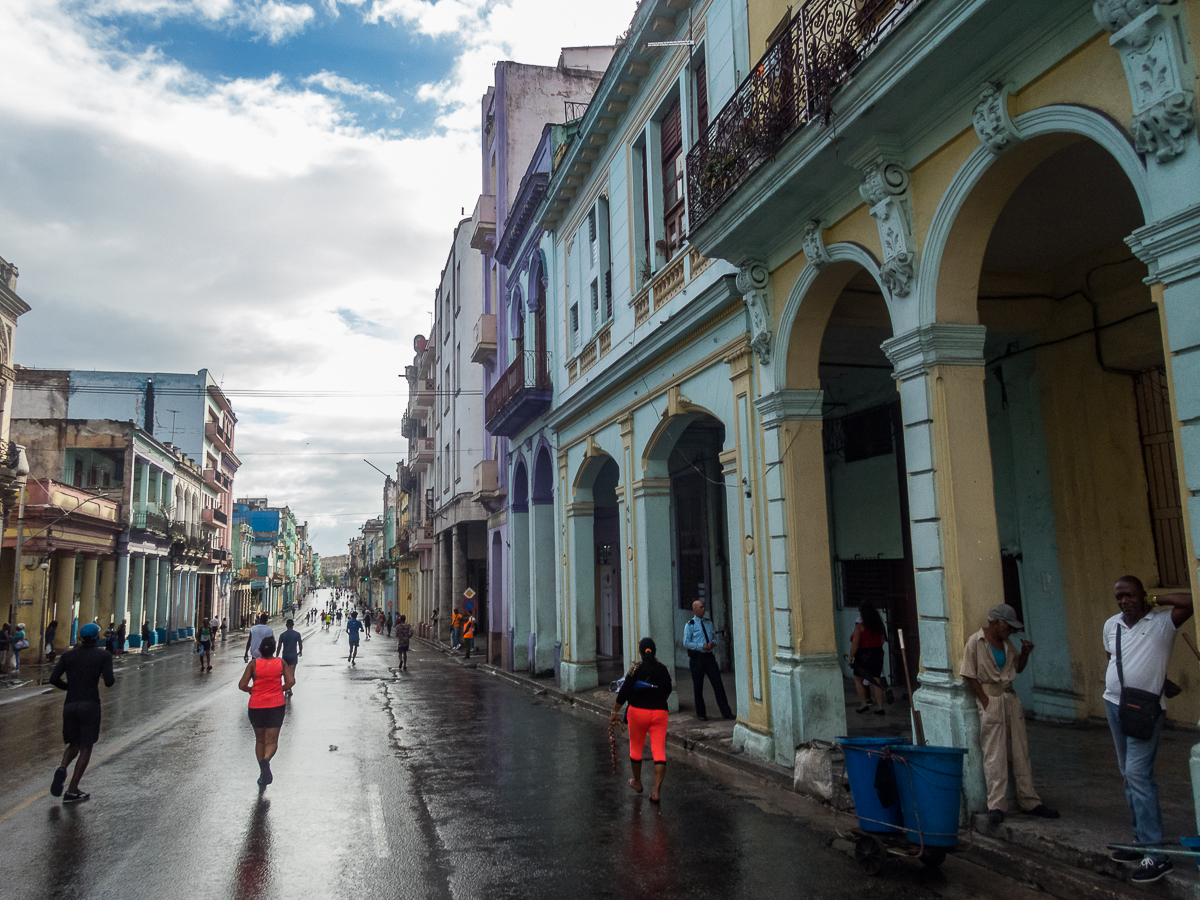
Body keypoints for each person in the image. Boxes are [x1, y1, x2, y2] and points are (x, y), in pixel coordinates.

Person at [1102, 576, 1193, 883]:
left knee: (1139, 775)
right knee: (1128, 774)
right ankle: (1140, 842)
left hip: (1145, 710)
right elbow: (1116, 659)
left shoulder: (1162, 622)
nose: (1123, 601)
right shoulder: (1111, 624)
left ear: (1142, 595)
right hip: (1114, 704)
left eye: (1129, 595)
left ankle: (1157, 855)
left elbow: (1191, 600)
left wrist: (1155, 601)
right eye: (1119, 597)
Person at [960, 603, 1058, 826]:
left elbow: (1018, 668)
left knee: (1020, 752)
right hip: (991, 700)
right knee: (994, 754)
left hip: (1010, 699)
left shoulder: (1006, 643)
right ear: (997, 623)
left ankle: (1031, 802)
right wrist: (984, 702)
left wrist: (1024, 654)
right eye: (1009, 627)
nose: (1012, 631)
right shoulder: (976, 642)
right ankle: (996, 806)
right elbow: (969, 674)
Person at [48, 623, 115, 803]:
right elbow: (109, 682)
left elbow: (53, 679)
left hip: (70, 704)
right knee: (86, 747)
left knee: (73, 744)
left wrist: (69, 687)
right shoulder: (103, 655)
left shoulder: (68, 655)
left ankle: (62, 767)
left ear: (80, 637)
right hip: (90, 705)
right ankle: (72, 790)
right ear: (96, 637)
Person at [610, 637, 673, 802]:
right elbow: (668, 689)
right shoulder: (663, 669)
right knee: (659, 752)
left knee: (636, 749)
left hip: (637, 713)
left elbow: (624, 691)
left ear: (640, 651)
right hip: (660, 713)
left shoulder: (635, 668)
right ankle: (656, 791)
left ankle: (637, 783)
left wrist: (615, 711)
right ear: (654, 651)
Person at [238, 634, 294, 787]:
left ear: (259, 650)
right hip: (276, 705)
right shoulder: (280, 663)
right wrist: (279, 689)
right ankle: (266, 761)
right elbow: (291, 681)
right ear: (274, 650)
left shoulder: (253, 664)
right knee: (272, 741)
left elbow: (242, 685)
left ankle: (262, 773)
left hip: (256, 705)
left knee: (260, 740)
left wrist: (252, 690)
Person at [682, 600, 734, 721]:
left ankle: (726, 712)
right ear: (694, 609)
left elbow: (714, 637)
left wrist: (712, 643)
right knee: (698, 687)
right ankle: (701, 714)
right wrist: (701, 646)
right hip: (697, 658)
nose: (703, 609)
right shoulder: (690, 625)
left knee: (718, 685)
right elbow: (686, 642)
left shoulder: (708, 622)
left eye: (704, 606)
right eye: (700, 607)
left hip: (709, 657)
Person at [849, 600, 893, 715]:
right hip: (877, 653)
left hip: (863, 655)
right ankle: (880, 707)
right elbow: (882, 640)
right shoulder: (879, 626)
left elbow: (855, 644)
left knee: (858, 680)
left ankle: (863, 704)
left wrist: (850, 658)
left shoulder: (859, 627)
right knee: (876, 681)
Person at [278, 619, 302, 697]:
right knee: (291, 673)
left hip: (285, 656)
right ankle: (289, 688)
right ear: (293, 625)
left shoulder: (282, 635)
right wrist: (300, 651)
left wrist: (276, 656)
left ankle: (287, 688)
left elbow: (279, 646)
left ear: (286, 625)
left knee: (285, 673)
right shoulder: (297, 634)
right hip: (293, 656)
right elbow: (300, 644)